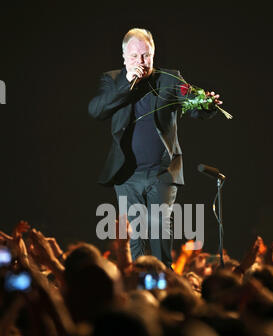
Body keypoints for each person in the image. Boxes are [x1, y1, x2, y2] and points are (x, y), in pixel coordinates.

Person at [88, 28, 222, 269]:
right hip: (127, 174)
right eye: (135, 56)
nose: (141, 61)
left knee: (159, 224)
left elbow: (192, 106)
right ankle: (139, 280)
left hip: (162, 171)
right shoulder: (113, 79)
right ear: (124, 57)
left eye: (146, 55)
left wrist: (206, 104)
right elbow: (97, 110)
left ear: (153, 54)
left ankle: (164, 277)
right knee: (136, 232)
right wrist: (126, 84)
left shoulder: (170, 79)